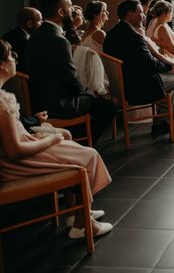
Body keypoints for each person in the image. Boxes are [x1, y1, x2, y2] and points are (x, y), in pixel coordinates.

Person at [0, 39, 113, 239]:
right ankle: (83, 224)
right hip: (18, 163)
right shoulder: (1, 104)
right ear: (2, 64)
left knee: (66, 138)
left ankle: (76, 212)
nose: (14, 58)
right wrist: (50, 141)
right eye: (10, 54)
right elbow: (14, 151)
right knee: (88, 155)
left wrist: (39, 131)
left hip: (18, 154)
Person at [26, 0, 116, 144]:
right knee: (107, 107)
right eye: (69, 6)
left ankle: (71, 139)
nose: (72, 9)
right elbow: (69, 78)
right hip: (58, 104)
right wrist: (87, 93)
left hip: (37, 100)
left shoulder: (35, 35)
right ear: (61, 12)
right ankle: (82, 145)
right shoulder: (57, 39)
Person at [103, 0, 174, 139]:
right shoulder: (134, 37)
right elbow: (149, 64)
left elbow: (141, 63)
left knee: (171, 77)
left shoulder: (111, 34)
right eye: (140, 13)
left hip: (120, 86)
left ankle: (160, 124)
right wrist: (169, 66)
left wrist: (166, 67)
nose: (144, 16)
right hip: (138, 86)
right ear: (130, 14)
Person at [1, 7, 42, 73]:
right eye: (40, 21)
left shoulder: (11, 34)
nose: (42, 24)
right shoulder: (23, 42)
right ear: (29, 24)